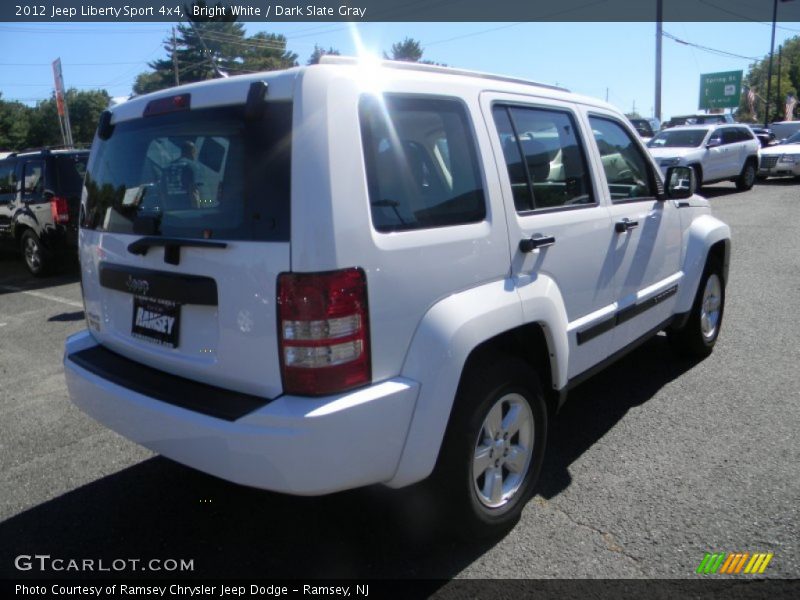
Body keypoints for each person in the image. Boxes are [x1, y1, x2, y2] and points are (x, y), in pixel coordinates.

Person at [162, 140, 201, 209]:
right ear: (192, 151)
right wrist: (197, 210)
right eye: (195, 152)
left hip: (171, 209)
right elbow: (193, 191)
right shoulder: (190, 166)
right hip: (187, 209)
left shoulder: (168, 167)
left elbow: (163, 191)